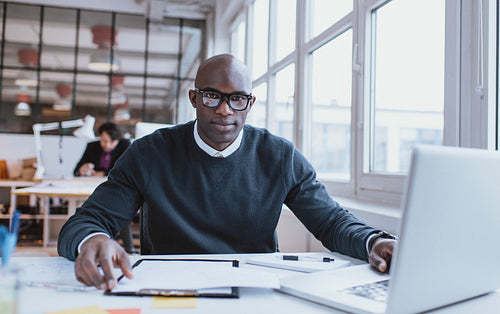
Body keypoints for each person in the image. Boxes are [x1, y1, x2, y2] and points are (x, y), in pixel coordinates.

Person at [58, 54, 396, 291]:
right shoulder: (148, 153)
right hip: (170, 291)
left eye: (236, 99)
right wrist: (95, 239)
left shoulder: (280, 156)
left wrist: (374, 241)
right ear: (194, 98)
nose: (224, 110)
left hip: (257, 292)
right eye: (211, 96)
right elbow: (84, 223)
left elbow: (332, 223)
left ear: (249, 103)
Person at [73, 121, 135, 253]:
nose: (105, 144)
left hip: (115, 189)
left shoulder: (125, 146)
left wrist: (103, 173)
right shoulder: (92, 146)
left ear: (116, 140)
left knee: (120, 209)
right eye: (103, 140)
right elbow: (76, 170)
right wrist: (82, 170)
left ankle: (129, 249)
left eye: (109, 142)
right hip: (91, 188)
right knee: (85, 211)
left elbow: (125, 170)